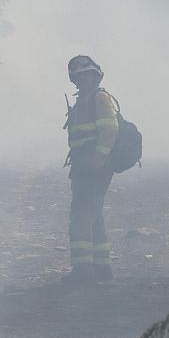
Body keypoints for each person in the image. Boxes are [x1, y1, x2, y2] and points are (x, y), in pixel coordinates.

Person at [63, 55, 119, 283]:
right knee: (93, 215)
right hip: (83, 166)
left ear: (96, 76)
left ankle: (83, 271)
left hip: (96, 167)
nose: (84, 79)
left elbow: (110, 130)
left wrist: (99, 159)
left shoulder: (99, 98)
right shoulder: (83, 100)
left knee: (80, 216)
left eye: (87, 75)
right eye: (79, 77)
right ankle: (102, 269)